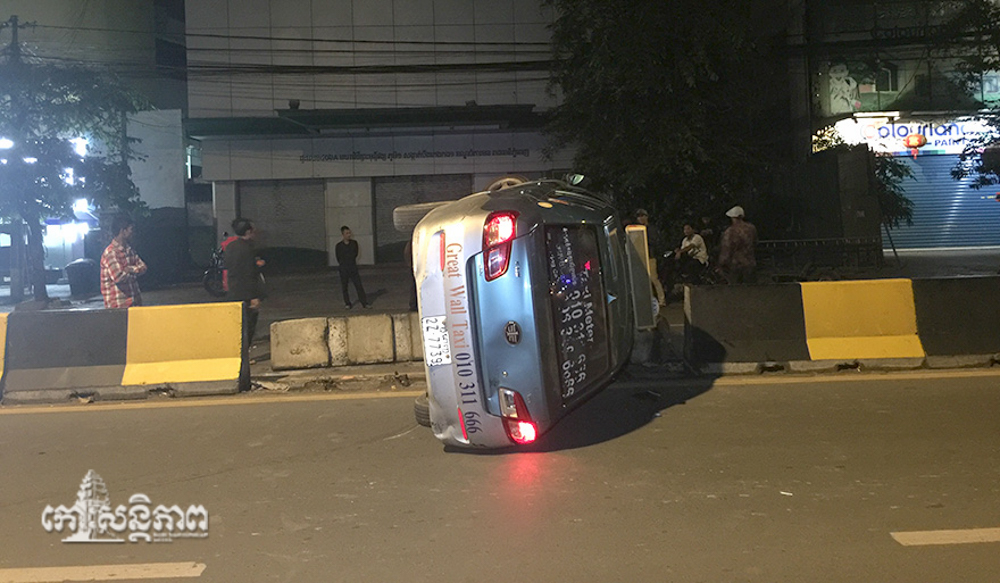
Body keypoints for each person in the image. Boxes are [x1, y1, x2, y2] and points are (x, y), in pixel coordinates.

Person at [224, 218, 266, 347]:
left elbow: (229, 265)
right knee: (249, 324)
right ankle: (245, 352)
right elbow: (249, 273)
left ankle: (238, 349)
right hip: (247, 292)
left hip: (233, 289)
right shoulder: (248, 248)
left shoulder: (230, 246)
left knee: (238, 323)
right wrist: (253, 296)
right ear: (248, 231)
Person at [100, 215, 147, 308]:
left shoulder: (130, 250)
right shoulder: (111, 253)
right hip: (118, 307)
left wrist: (130, 269)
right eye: (131, 229)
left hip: (135, 304)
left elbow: (144, 267)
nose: (133, 232)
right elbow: (119, 277)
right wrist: (136, 272)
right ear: (123, 231)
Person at [718, 205, 758, 284]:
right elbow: (755, 242)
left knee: (736, 288)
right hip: (750, 263)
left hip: (735, 265)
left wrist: (721, 264)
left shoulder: (730, 231)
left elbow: (726, 249)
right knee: (751, 288)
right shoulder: (752, 228)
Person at [634, 209, 666, 306]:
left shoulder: (651, 229)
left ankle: (662, 300)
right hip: (641, 256)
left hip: (650, 256)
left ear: (646, 217)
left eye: (642, 216)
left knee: (654, 279)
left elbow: (655, 241)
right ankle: (650, 300)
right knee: (645, 280)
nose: (640, 218)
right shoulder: (637, 230)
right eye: (639, 216)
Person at [336, 225, 370, 309]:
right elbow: (338, 257)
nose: (349, 235)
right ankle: (347, 303)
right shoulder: (339, 246)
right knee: (344, 287)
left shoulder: (354, 243)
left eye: (349, 233)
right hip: (344, 269)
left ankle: (364, 303)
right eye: (347, 233)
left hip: (353, 268)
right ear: (343, 234)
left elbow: (355, 254)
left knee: (358, 285)